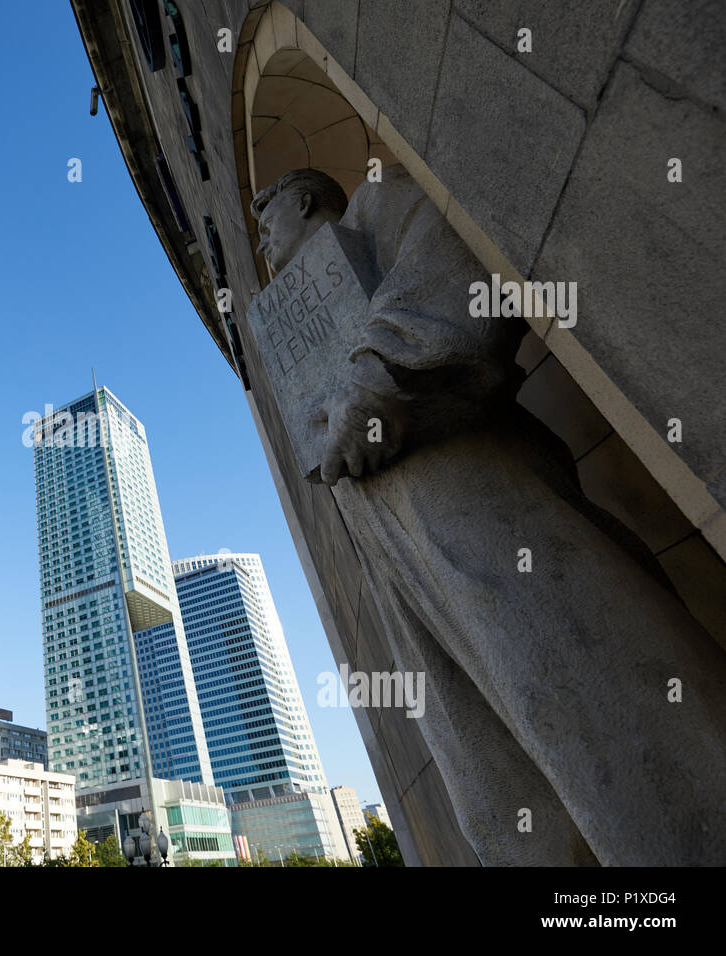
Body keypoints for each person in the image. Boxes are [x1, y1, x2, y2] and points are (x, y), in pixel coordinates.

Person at [250, 165, 726, 865]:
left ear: (304, 200)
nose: (262, 246)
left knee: (578, 675)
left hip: (468, 484)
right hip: (394, 553)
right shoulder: (288, 310)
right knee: (485, 777)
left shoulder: (380, 207)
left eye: (267, 226)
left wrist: (380, 375)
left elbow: (460, 256)